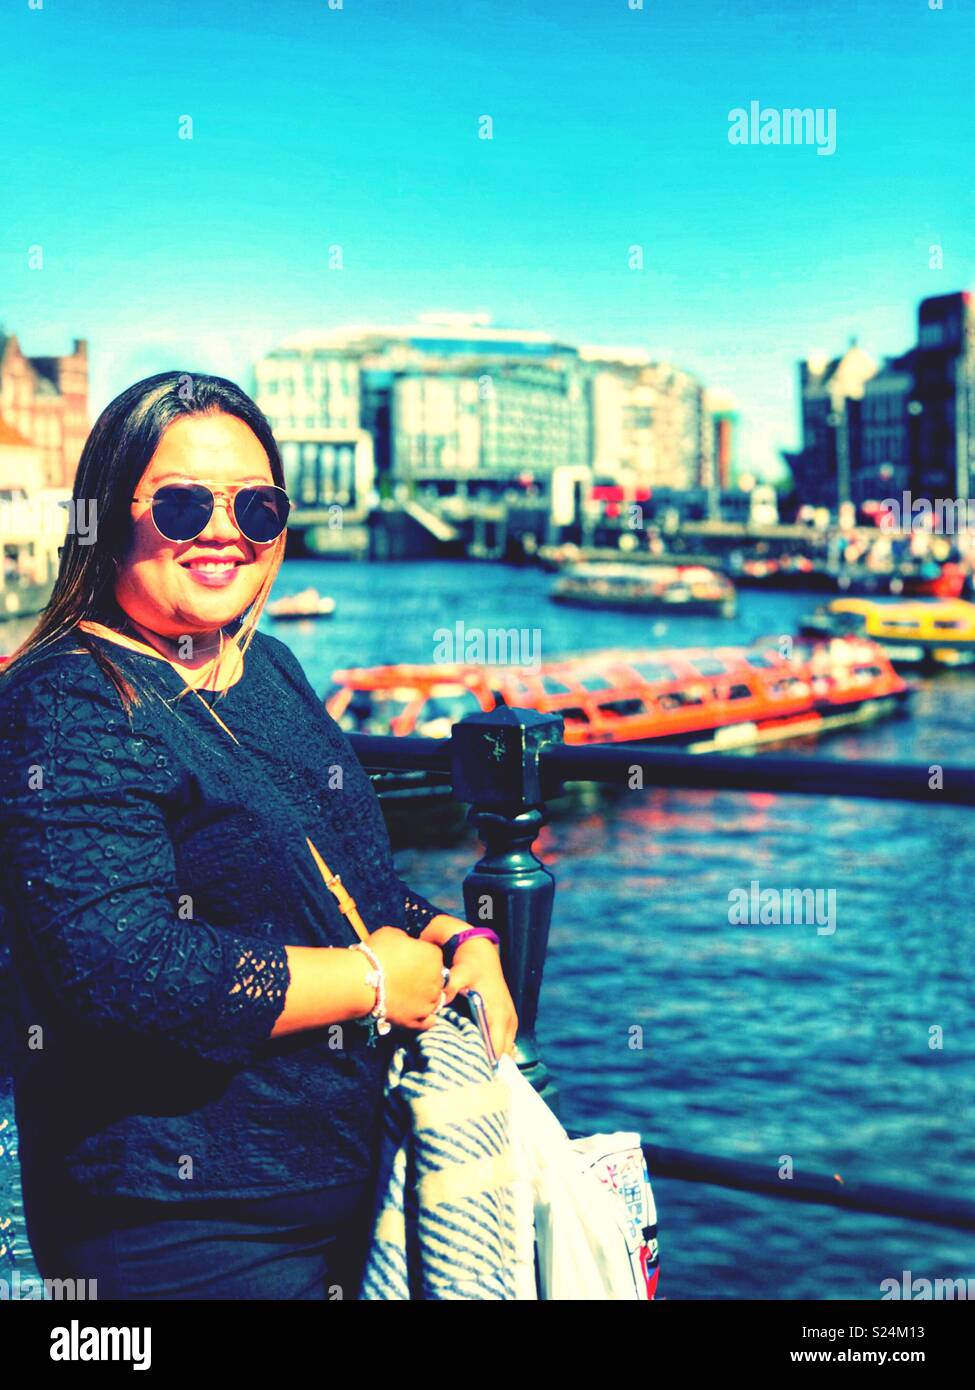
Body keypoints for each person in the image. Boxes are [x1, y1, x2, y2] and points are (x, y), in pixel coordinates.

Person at [0, 370, 518, 1300]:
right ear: (107, 516)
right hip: (182, 1222)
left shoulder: (266, 667)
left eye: (258, 505)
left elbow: (339, 887)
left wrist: (454, 939)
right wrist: (369, 984)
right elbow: (120, 969)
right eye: (185, 501)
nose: (223, 529)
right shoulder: (66, 699)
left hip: (348, 1181)